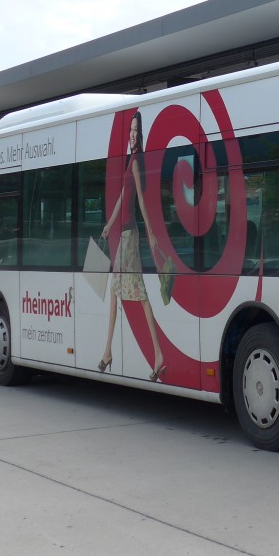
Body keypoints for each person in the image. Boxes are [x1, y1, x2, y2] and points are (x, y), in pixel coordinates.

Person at [98, 111, 166, 382]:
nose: (132, 135)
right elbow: (122, 199)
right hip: (125, 234)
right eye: (130, 131)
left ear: (142, 135)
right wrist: (108, 224)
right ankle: (109, 351)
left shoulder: (137, 162)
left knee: (134, 293)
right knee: (124, 291)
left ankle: (112, 352)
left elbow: (139, 201)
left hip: (130, 236)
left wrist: (150, 233)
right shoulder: (130, 161)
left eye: (136, 131)